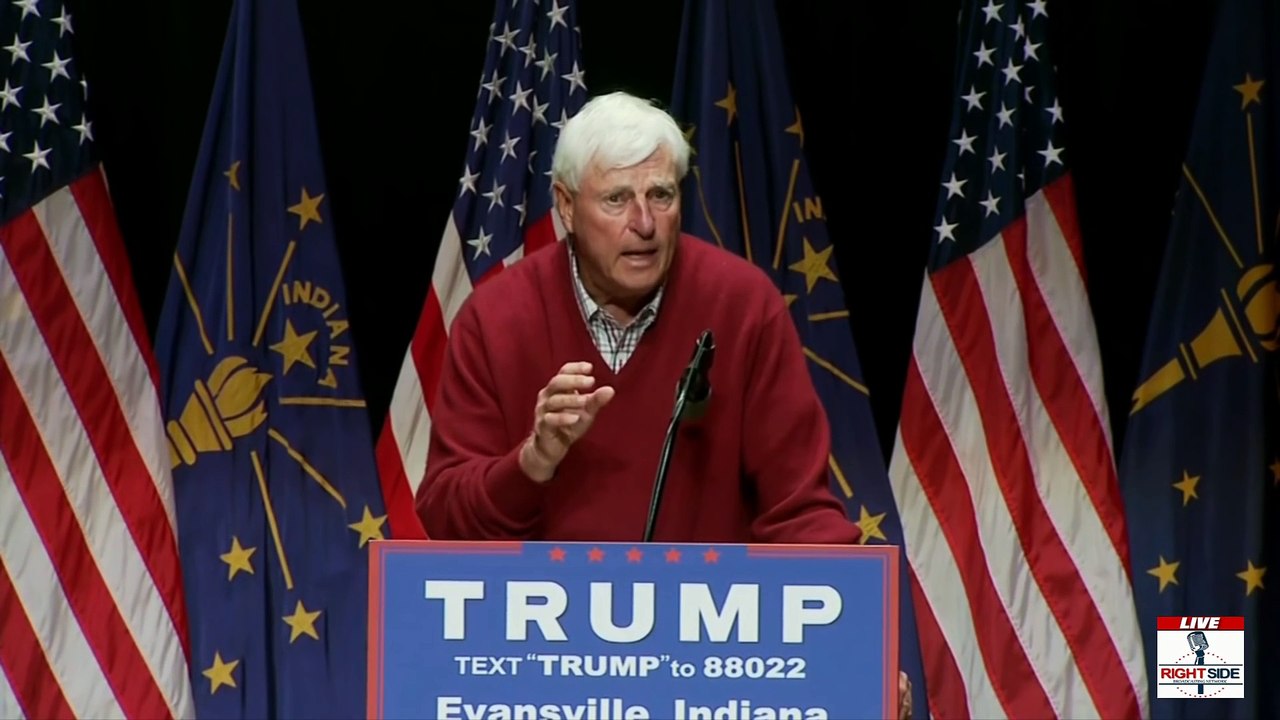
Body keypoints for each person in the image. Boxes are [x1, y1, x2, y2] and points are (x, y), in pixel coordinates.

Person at [417, 91, 912, 719]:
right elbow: (445, 516)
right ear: (566, 207)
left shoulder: (742, 306)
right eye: (617, 200)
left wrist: (855, 652)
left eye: (662, 196)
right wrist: (531, 464)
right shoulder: (496, 318)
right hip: (544, 680)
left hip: (708, 677)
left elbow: (799, 512)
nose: (644, 224)